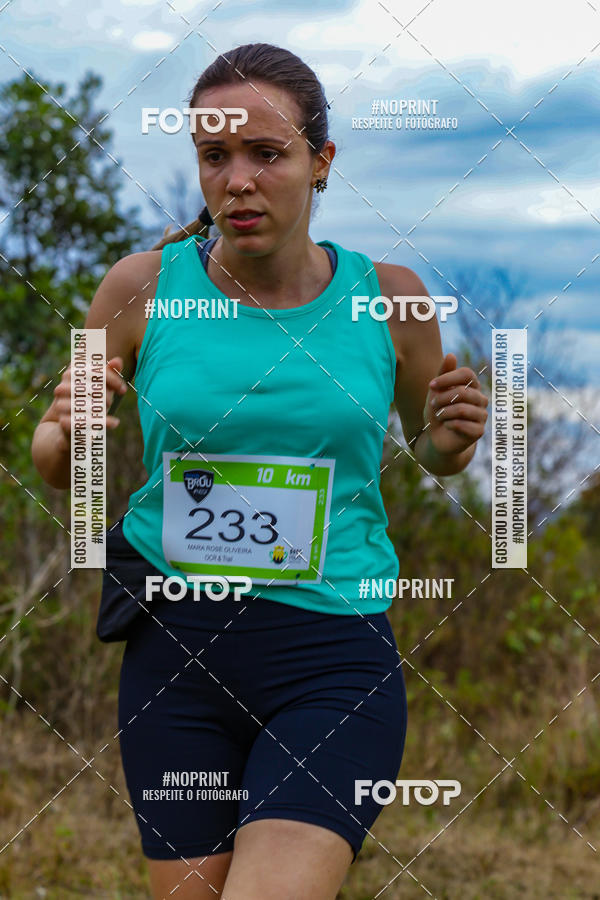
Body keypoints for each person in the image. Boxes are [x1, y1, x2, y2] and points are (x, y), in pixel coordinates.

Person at [31, 42, 488, 900]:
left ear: (321, 164)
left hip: (332, 655)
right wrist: (65, 431)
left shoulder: (391, 298)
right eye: (215, 156)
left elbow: (430, 455)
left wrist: (453, 442)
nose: (238, 179)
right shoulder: (139, 288)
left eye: (267, 154)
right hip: (175, 656)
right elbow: (64, 468)